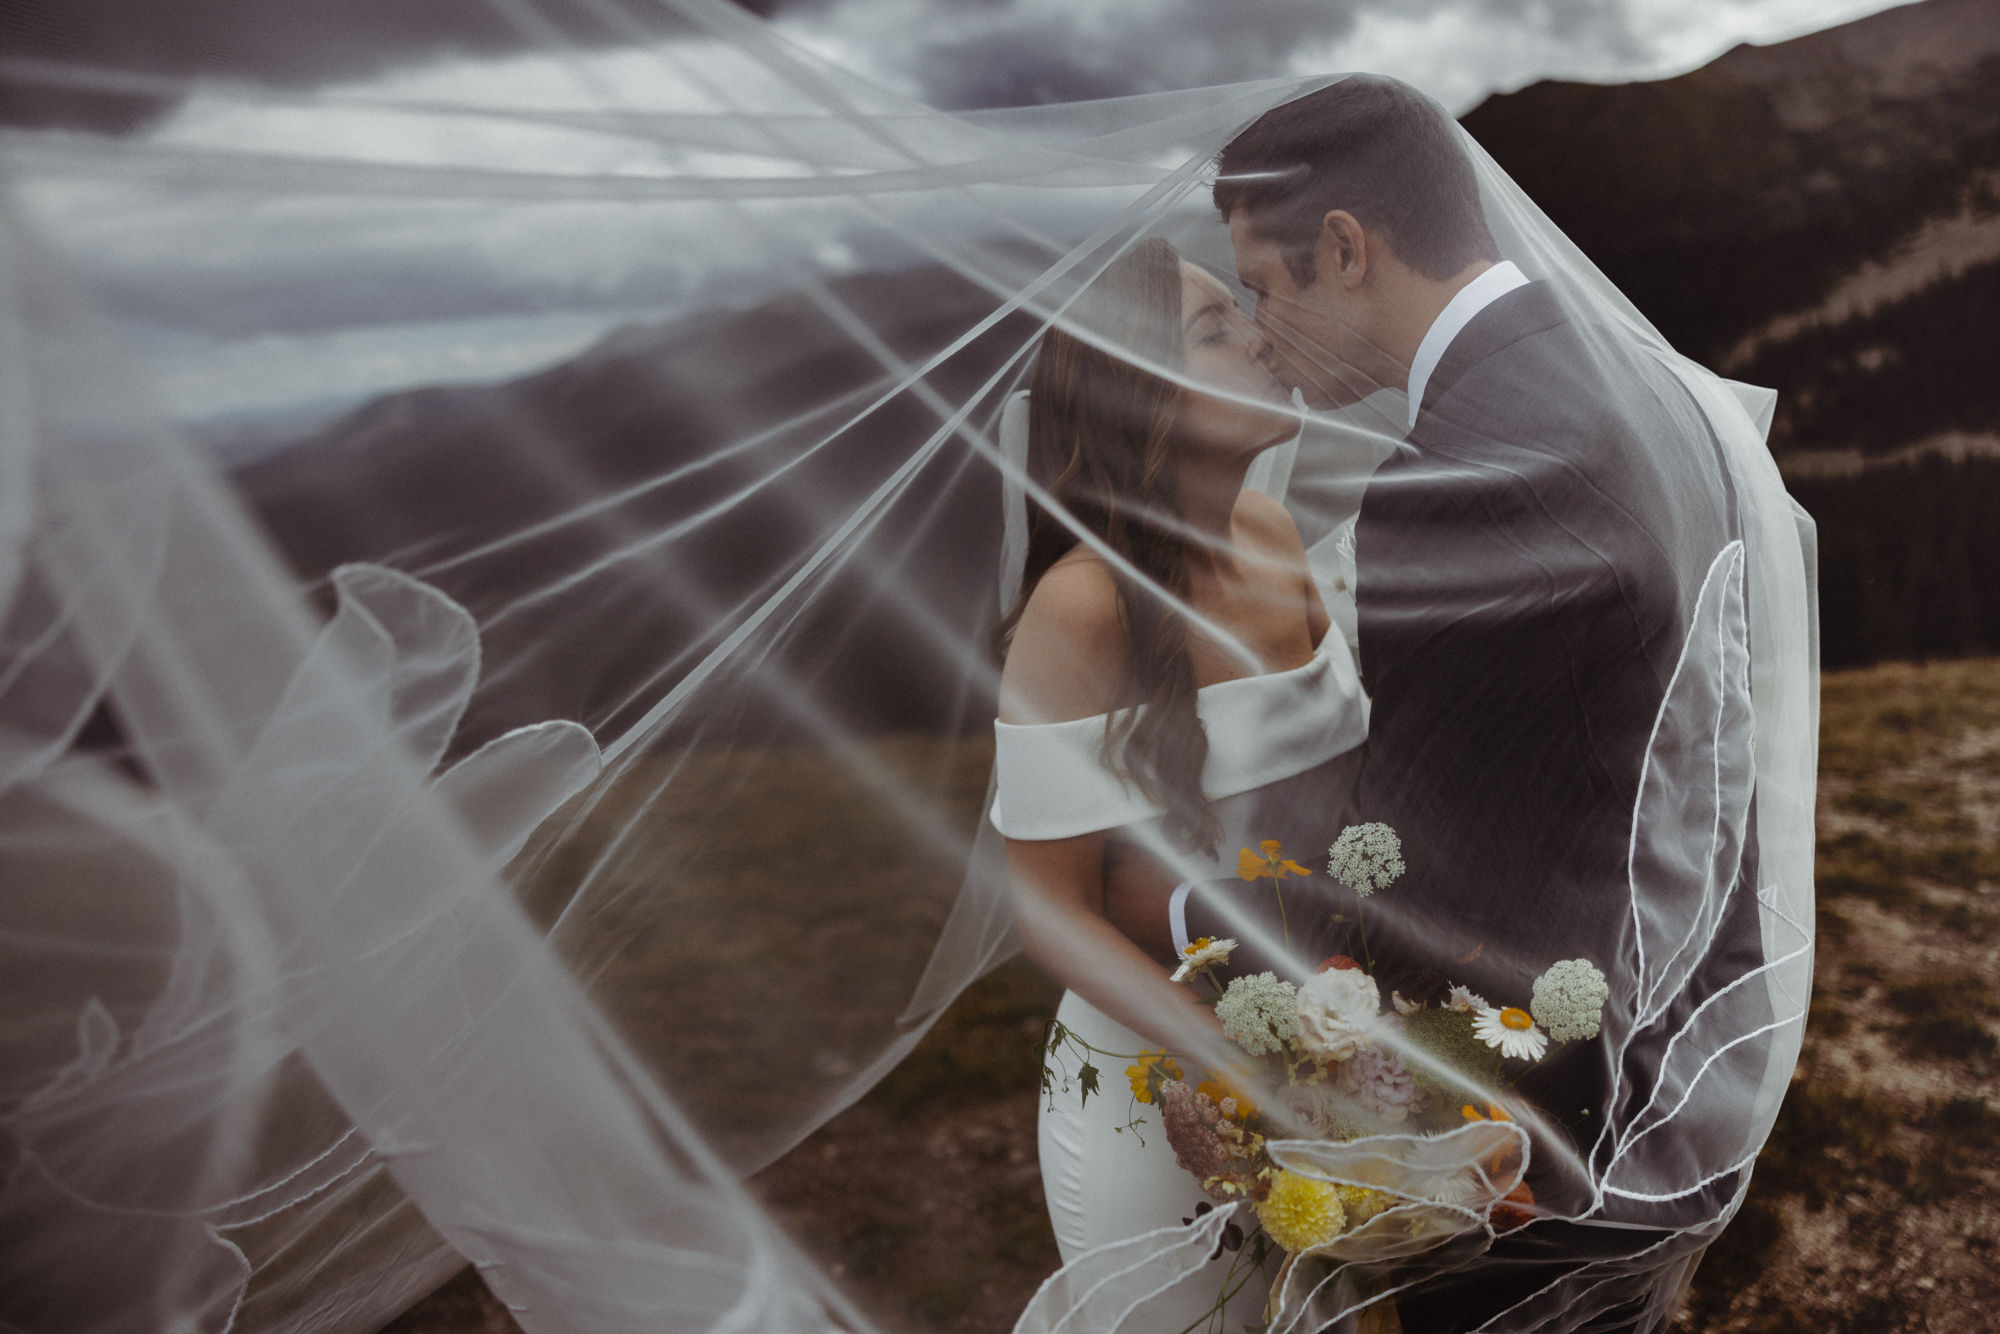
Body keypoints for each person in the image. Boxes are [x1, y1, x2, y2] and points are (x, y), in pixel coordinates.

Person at [1199, 76, 1780, 1331]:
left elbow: (1402, 852)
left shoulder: (1463, 475)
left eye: (1262, 283)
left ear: (1345, 247)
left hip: (1537, 1136)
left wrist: (1193, 926)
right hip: (1678, 1056)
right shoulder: (1653, 385)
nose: (1259, 325)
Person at [992, 236, 1371, 1325]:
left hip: (1320, 1037)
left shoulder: (1267, 526)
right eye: (1213, 328)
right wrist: (1235, 1063)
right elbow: (1044, 905)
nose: (1262, 334)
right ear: (1131, 389)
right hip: (1150, 1080)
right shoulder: (1083, 607)